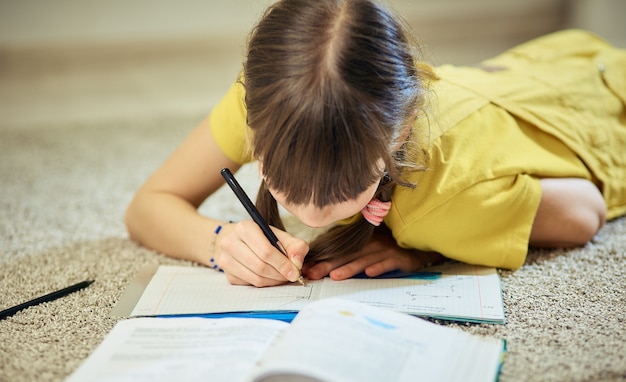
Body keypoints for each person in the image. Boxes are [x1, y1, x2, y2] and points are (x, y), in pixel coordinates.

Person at [125, 0, 626, 287]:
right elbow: (148, 205)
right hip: (534, 67)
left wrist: (427, 251)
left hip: (601, 98)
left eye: (343, 190)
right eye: (285, 185)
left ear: (401, 132)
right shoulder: (269, 101)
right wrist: (217, 241)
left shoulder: (450, 201)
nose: (313, 214)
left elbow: (586, 210)